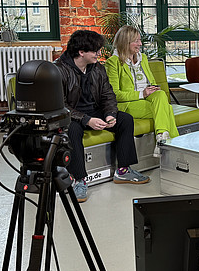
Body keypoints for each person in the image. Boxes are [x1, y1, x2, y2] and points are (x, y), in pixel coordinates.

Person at [54, 30, 150, 203]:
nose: (99, 53)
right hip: (72, 116)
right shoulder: (58, 70)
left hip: (95, 111)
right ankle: (79, 179)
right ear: (81, 52)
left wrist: (110, 114)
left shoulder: (97, 68)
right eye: (95, 51)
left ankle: (122, 170)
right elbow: (60, 106)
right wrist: (86, 120)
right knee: (73, 131)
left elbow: (108, 95)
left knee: (125, 120)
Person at [105, 25, 179, 157]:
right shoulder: (113, 62)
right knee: (166, 109)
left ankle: (162, 138)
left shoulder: (142, 58)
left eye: (140, 40)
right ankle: (172, 146)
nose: (140, 44)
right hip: (128, 104)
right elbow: (115, 94)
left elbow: (150, 80)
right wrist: (142, 94)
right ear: (125, 42)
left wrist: (154, 88)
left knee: (161, 94)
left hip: (150, 99)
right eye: (136, 41)